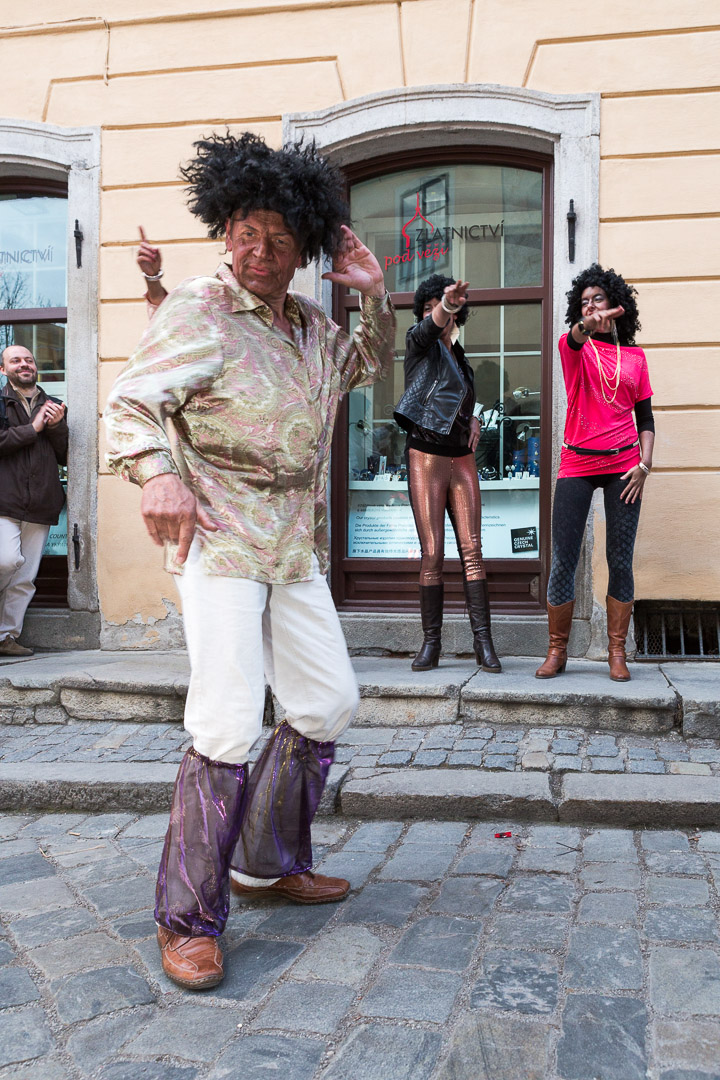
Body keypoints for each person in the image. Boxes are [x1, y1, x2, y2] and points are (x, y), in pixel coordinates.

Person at [104, 132, 395, 990]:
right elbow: (129, 403)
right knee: (228, 721)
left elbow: (366, 367)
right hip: (221, 542)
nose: (259, 252)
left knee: (326, 702)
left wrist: (374, 298)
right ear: (221, 232)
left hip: (293, 548)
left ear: (304, 248)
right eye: (243, 232)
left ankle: (265, 864)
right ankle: (187, 919)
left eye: (277, 238)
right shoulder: (199, 309)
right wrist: (159, 474)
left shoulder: (311, 326)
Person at [536, 263, 654, 682]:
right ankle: (557, 651)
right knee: (564, 559)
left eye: (597, 299)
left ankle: (616, 652)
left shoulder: (636, 358)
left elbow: (646, 418)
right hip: (577, 463)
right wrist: (584, 327)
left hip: (625, 466)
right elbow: (573, 337)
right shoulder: (575, 348)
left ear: (615, 303)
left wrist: (644, 464)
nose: (589, 306)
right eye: (583, 302)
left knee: (620, 560)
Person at [394, 273, 501, 674]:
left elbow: (455, 398)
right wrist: (445, 305)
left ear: (460, 318)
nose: (436, 316)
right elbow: (429, 328)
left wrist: (472, 417)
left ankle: (484, 644)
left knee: (473, 551)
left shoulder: (460, 359)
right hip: (426, 456)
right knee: (433, 553)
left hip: (461, 458)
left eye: (445, 311)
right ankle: (431, 645)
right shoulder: (418, 345)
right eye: (429, 309)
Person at [0, 346, 67, 657]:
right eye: (16, 360)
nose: (24, 365)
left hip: (41, 503)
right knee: (6, 561)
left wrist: (57, 428)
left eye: (28, 360)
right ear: (4, 369)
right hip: (5, 501)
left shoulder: (53, 404)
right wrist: (33, 429)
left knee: (25, 578)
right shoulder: (1, 403)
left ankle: (5, 637)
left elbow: (66, 454)